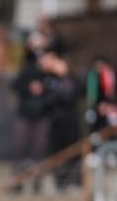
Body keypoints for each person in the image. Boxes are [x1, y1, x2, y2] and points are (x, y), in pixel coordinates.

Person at [12, 33, 50, 191]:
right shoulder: (26, 66)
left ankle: (37, 180)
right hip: (25, 112)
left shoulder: (48, 65)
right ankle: (17, 180)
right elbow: (16, 84)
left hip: (42, 113)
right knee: (21, 147)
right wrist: (29, 87)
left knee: (38, 149)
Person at [41, 53, 81, 190]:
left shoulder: (71, 80)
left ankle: (75, 181)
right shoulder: (50, 80)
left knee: (73, 153)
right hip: (55, 123)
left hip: (69, 123)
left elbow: (68, 96)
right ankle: (60, 182)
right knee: (56, 154)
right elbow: (46, 98)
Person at [86, 56, 117, 136]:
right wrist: (97, 106)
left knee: (112, 131)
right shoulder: (93, 76)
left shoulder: (111, 75)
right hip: (96, 110)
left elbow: (116, 93)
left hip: (110, 109)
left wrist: (108, 106)